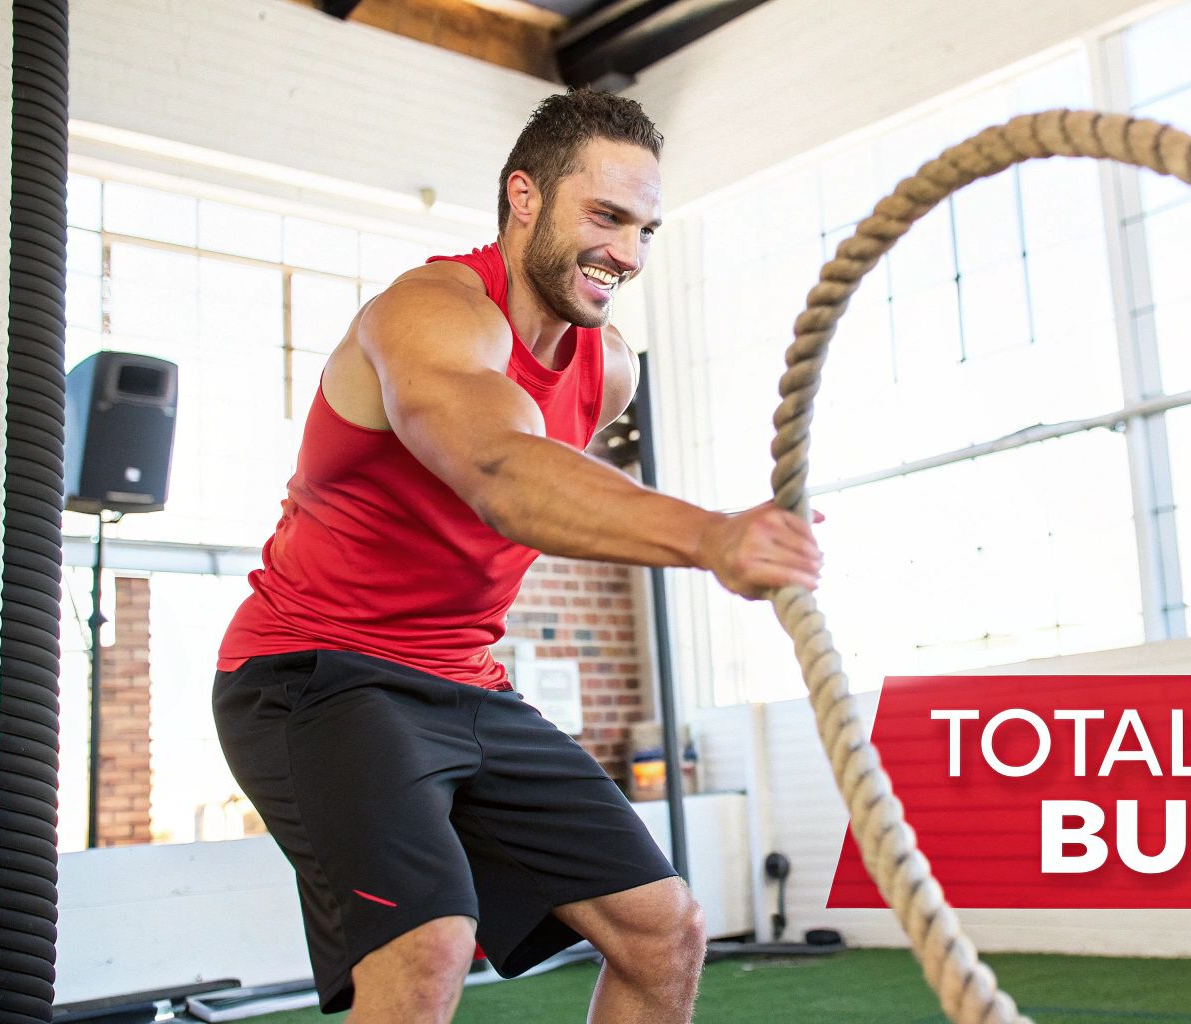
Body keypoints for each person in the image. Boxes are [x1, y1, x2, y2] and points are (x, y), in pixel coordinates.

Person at [213, 89, 821, 1023]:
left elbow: (543, 474)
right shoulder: (428, 313)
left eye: (647, 230)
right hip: (316, 671)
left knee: (664, 930)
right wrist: (708, 537)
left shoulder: (608, 369)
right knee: (429, 942)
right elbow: (499, 466)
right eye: (607, 216)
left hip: (467, 683)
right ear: (524, 197)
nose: (628, 252)